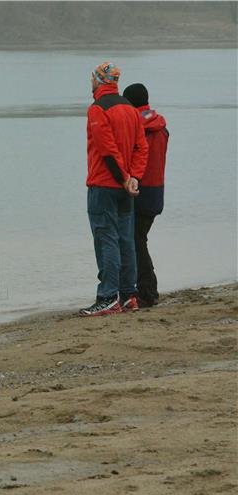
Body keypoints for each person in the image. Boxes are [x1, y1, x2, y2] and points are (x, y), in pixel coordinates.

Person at [80, 62, 149, 317]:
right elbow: (142, 147)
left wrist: (124, 178)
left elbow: (106, 148)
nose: (91, 83)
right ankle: (128, 295)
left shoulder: (97, 109)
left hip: (104, 184)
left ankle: (108, 297)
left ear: (99, 80)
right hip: (125, 187)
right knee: (125, 239)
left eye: (92, 78)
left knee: (106, 238)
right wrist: (135, 178)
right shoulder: (131, 109)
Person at [123, 83, 169, 307]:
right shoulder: (160, 125)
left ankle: (148, 291)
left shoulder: (136, 127)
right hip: (157, 189)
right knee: (138, 239)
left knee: (136, 241)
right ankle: (146, 288)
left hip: (140, 188)